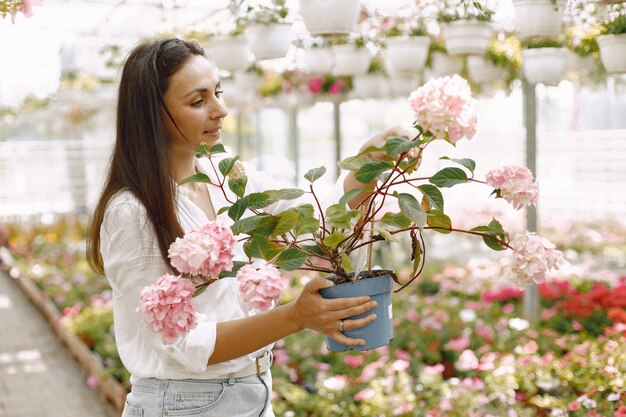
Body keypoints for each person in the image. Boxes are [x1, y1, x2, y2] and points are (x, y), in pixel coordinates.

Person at [86, 38, 416, 417]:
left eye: (218, 93)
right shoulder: (132, 212)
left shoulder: (225, 176)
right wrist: (295, 317)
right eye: (198, 101)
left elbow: (316, 217)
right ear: (151, 114)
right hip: (184, 403)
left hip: (252, 392)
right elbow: (184, 343)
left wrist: (369, 164)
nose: (221, 110)